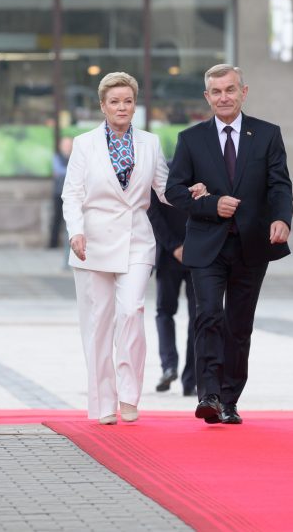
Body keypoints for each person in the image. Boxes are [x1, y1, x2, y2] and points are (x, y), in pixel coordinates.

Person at [166, 64, 293, 426]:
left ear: (243, 92)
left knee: (239, 325)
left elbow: (279, 184)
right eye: (216, 92)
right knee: (208, 315)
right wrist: (209, 204)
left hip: (252, 245)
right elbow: (174, 190)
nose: (224, 97)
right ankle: (208, 394)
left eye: (230, 90)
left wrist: (282, 219)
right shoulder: (191, 139)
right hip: (207, 244)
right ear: (207, 97)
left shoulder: (268, 135)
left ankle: (229, 397)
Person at [62, 72, 184, 425]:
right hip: (93, 244)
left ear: (135, 105)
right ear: (102, 106)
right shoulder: (85, 144)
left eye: (127, 101)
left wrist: (193, 192)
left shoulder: (151, 142)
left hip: (137, 240)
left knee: (131, 311)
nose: (121, 107)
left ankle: (129, 395)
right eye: (114, 101)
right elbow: (72, 194)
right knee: (98, 325)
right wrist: (76, 232)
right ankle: (103, 403)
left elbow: (164, 188)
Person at [148, 185, 197, 396]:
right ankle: (173, 369)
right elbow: (152, 212)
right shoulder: (161, 172)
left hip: (198, 256)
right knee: (165, 312)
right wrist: (175, 246)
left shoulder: (206, 170)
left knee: (198, 317)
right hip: (170, 257)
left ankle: (188, 378)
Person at [49, 136, 73, 249]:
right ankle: (53, 244)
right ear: (61, 146)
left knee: (73, 220)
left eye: (69, 145)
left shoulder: (75, 157)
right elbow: (58, 170)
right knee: (57, 219)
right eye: (65, 145)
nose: (67, 147)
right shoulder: (57, 157)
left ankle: (71, 245)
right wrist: (73, 170)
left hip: (72, 194)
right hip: (59, 192)